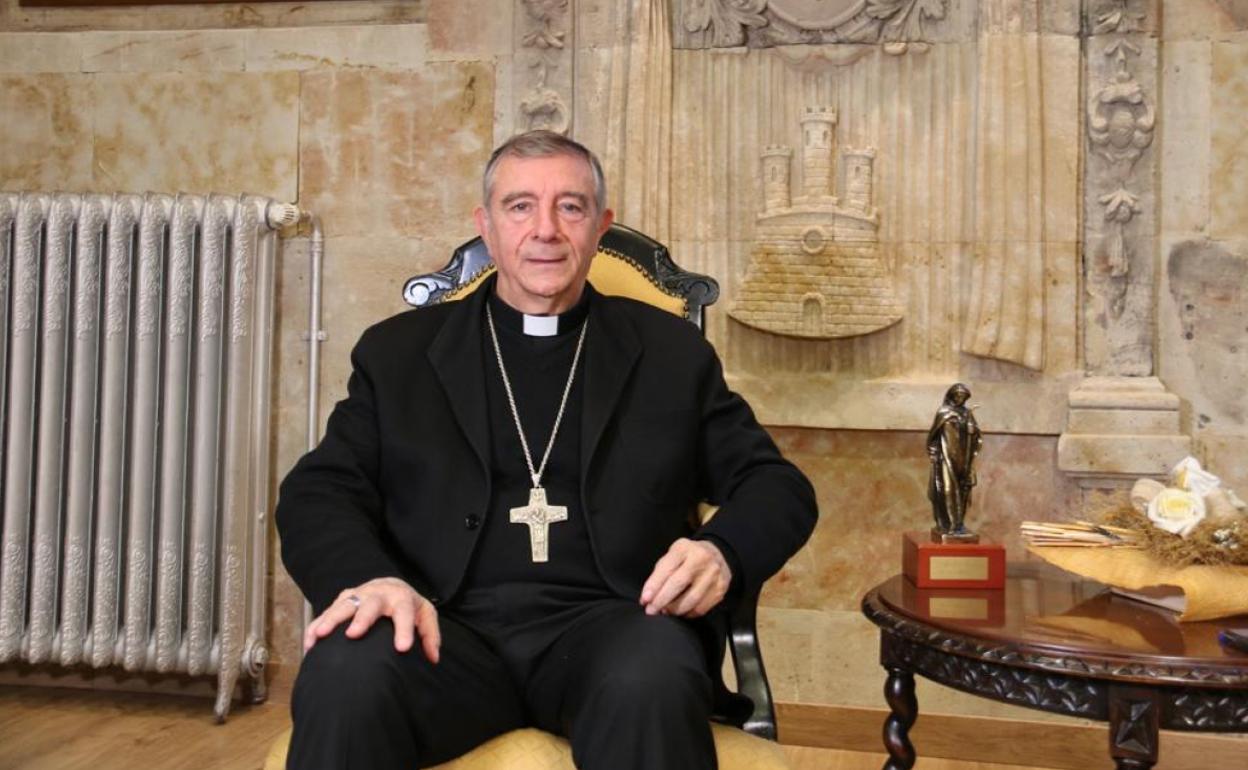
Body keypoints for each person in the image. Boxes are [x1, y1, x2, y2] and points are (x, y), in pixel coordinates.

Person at [276, 130, 817, 770]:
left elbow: (775, 484)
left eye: (570, 206)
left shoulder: (671, 356)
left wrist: (722, 551)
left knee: (651, 678)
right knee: (345, 671)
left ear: (600, 225)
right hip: (441, 632)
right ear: (486, 224)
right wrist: (370, 581)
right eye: (520, 206)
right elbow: (318, 491)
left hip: (614, 629)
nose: (546, 230)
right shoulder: (398, 355)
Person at [926, 382, 982, 537]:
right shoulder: (943, 412)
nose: (959, 398)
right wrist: (933, 453)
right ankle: (949, 523)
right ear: (951, 395)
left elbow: (975, 436)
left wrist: (973, 431)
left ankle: (959, 524)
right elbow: (933, 435)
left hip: (963, 459)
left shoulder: (967, 414)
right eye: (957, 395)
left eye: (963, 396)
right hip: (946, 458)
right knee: (947, 490)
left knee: (964, 489)